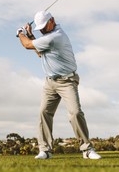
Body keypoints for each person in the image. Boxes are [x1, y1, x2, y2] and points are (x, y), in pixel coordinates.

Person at [16, 11, 101, 160]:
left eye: (43, 27)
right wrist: (29, 34)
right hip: (50, 82)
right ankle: (45, 150)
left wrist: (21, 33)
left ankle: (87, 149)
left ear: (52, 21)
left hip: (67, 81)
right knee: (44, 112)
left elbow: (27, 45)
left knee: (75, 113)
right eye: (39, 28)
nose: (41, 30)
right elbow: (40, 53)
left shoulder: (56, 37)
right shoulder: (48, 36)